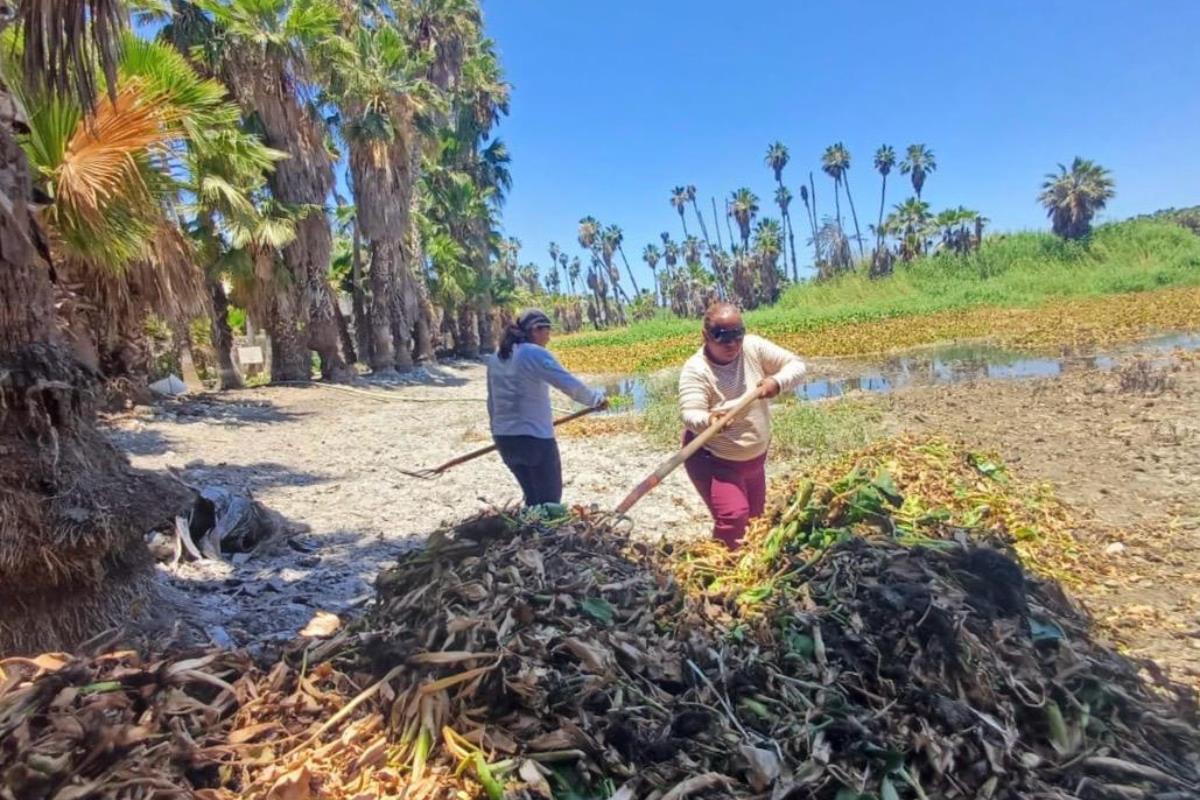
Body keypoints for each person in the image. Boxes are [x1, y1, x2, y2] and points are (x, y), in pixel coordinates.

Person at [678, 303, 807, 548]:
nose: (732, 344)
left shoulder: (753, 347)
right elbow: (689, 413)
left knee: (755, 521)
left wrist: (776, 383)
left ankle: (747, 567)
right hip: (714, 459)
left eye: (738, 335)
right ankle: (724, 569)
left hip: (754, 459)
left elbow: (797, 366)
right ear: (705, 336)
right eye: (722, 338)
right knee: (734, 517)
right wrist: (710, 421)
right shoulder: (696, 370)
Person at [486, 309, 607, 507]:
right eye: (547, 331)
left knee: (532, 497)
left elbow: (491, 402)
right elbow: (569, 384)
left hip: (504, 439)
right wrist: (596, 399)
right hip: (534, 439)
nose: (549, 337)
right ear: (535, 330)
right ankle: (544, 535)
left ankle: (531, 534)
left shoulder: (495, 357)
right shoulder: (533, 353)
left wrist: (496, 432)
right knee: (550, 500)